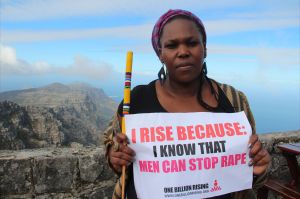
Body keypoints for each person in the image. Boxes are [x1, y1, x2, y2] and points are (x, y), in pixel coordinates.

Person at [104, 9, 270, 199]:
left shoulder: (233, 99)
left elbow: (251, 172)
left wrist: (258, 168)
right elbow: (113, 144)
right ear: (161, 54)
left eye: (192, 43)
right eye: (172, 45)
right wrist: (114, 156)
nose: (183, 52)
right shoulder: (136, 100)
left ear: (204, 48)